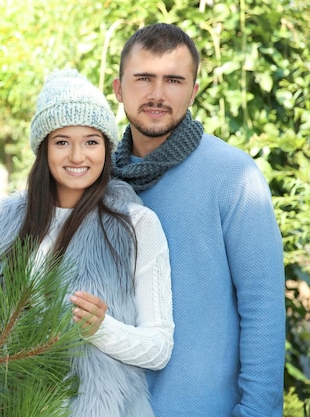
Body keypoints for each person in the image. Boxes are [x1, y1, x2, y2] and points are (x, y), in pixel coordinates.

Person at [0, 68, 174, 416]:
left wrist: (102, 329)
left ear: (106, 146)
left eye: (91, 141)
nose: (78, 156)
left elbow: (160, 347)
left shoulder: (136, 225)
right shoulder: (7, 224)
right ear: (43, 149)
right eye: (63, 142)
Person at [111, 23, 285, 416]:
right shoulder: (97, 178)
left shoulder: (233, 175)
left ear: (193, 91)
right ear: (119, 88)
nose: (157, 94)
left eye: (173, 80)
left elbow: (263, 308)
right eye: (143, 79)